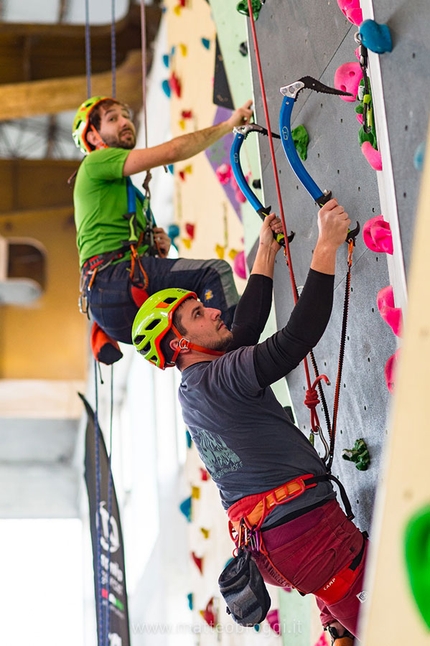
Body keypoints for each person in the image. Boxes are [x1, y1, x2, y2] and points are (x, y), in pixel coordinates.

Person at [132, 200, 367, 645]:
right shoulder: (216, 379)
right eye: (198, 314)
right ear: (180, 342)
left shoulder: (195, 386)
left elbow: (242, 332)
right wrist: (326, 245)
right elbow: (295, 338)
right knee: (402, 616)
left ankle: (338, 626)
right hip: (305, 535)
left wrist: (266, 251)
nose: (214, 310)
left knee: (361, 608)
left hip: (279, 544)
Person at [71, 95, 253, 349]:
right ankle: (237, 357)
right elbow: (173, 151)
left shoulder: (120, 191)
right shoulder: (94, 163)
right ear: (92, 137)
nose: (125, 122)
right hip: (115, 279)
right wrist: (228, 125)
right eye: (113, 118)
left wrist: (155, 248)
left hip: (111, 298)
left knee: (198, 314)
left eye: (126, 116)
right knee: (214, 273)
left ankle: (213, 369)